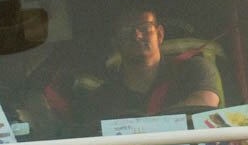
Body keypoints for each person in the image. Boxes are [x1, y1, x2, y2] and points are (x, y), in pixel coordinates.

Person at [83, 8, 223, 121]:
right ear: (116, 43)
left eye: (145, 28)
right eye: (126, 31)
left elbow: (204, 109)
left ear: (160, 34)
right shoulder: (105, 95)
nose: (137, 36)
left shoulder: (194, 69)